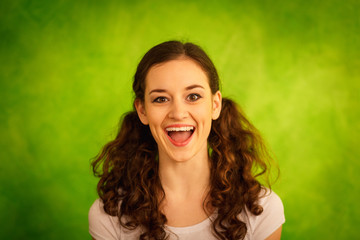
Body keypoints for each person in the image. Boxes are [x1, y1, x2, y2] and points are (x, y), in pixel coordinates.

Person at [89, 40, 285, 240]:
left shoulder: (262, 209)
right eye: (161, 99)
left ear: (215, 105)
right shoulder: (109, 216)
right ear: (142, 110)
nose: (178, 113)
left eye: (193, 96)